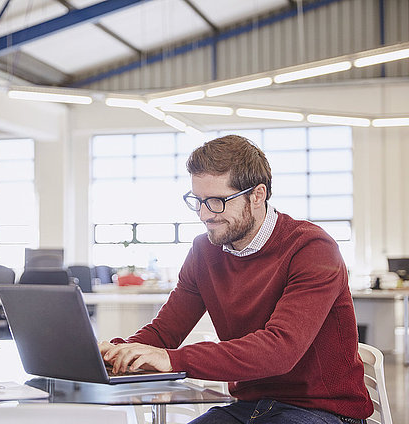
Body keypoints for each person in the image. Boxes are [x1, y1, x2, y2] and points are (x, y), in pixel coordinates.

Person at [99, 135, 373, 424]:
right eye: (198, 201)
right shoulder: (204, 251)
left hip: (323, 411)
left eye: (216, 201)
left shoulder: (311, 248)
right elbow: (165, 332)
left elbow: (280, 350)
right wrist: (117, 352)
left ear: (257, 195)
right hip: (248, 408)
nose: (205, 214)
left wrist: (172, 359)